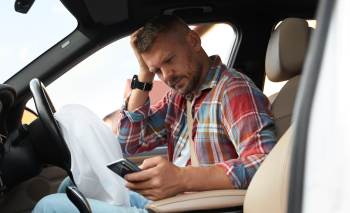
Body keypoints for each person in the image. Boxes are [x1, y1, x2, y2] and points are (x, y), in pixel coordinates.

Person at [32, 15, 276, 213]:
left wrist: (183, 178)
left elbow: (264, 164)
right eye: (158, 70)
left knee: (48, 206)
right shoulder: (181, 97)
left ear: (193, 40)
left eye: (169, 60)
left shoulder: (233, 90)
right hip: (178, 200)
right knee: (73, 184)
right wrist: (144, 74)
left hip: (200, 207)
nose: (167, 75)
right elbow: (130, 142)